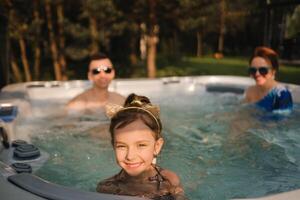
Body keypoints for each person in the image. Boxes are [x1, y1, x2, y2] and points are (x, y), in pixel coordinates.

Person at [97, 94, 187, 200]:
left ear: (157, 146)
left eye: (141, 145)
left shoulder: (168, 181)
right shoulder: (107, 188)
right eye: (122, 146)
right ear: (113, 146)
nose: (130, 156)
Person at [244, 46, 293, 113]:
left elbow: (283, 122)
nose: (257, 74)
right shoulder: (250, 91)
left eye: (263, 70)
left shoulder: (281, 95)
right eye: (253, 70)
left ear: (273, 71)